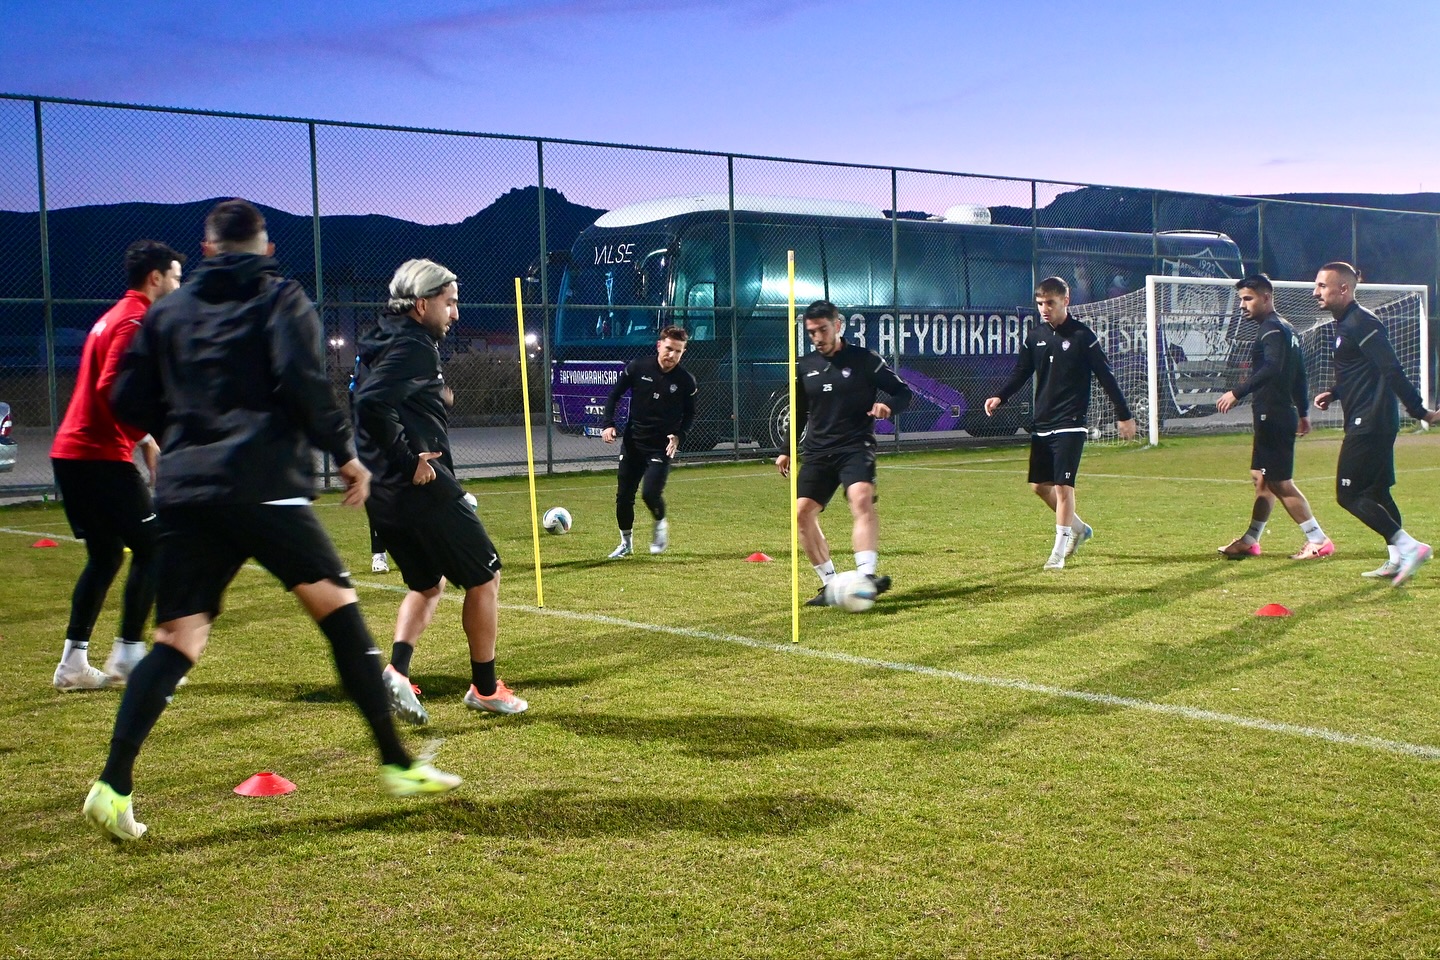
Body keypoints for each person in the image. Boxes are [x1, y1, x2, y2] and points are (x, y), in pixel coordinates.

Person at [83, 200, 459, 843]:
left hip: (187, 494)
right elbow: (305, 382)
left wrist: (178, 426)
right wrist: (344, 454)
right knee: (340, 615)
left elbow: (126, 397)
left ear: (205, 251)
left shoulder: (167, 311)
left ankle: (112, 785)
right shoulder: (280, 298)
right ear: (263, 247)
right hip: (262, 487)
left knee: (178, 641)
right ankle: (397, 764)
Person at [354, 259, 526, 725]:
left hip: (384, 494)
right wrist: (408, 458)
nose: (455, 313)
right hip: (421, 489)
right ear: (422, 303)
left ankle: (397, 671)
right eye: (449, 303)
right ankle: (486, 689)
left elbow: (372, 395)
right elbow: (371, 405)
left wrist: (433, 396)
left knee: (427, 584)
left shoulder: (382, 337)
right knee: (486, 576)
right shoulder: (414, 345)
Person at [50, 241, 181, 691]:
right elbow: (115, 389)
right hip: (97, 455)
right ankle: (129, 654)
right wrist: (156, 435)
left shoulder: (112, 316)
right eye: (175, 277)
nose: (177, 285)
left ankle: (73, 664)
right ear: (155, 278)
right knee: (154, 548)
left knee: (106, 555)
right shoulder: (133, 321)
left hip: (74, 452)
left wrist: (143, 438)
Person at [984, 276, 1137, 569]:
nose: (1044, 308)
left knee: (1064, 486)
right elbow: (1021, 372)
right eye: (1040, 303)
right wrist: (999, 397)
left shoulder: (1082, 337)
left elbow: (1106, 376)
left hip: (1071, 421)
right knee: (1040, 487)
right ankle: (1079, 529)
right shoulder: (1035, 337)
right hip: (1043, 421)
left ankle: (1058, 552)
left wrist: (1124, 414)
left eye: (1050, 303)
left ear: (1065, 301)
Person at [775, 300, 912, 605]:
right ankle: (831, 585)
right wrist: (786, 450)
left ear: (838, 326)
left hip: (854, 447)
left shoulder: (865, 360)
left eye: (823, 330)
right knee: (801, 514)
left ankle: (865, 577)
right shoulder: (805, 366)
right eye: (811, 332)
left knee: (861, 499)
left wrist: (888, 407)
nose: (817, 337)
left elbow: (904, 392)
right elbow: (798, 411)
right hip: (817, 452)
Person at [1312, 261, 1440, 586]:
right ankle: (1397, 560)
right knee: (1377, 490)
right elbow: (1361, 371)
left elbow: (1391, 369)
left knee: (1349, 495)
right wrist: (1334, 393)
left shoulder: (1361, 322)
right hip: (1370, 417)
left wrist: (1420, 411)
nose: (1316, 293)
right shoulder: (1345, 324)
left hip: (1370, 421)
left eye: (1323, 286)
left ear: (1344, 289)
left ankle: (1410, 547)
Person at [1215, 275, 1333, 560]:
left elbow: (1273, 367)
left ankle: (1318, 539)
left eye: (1248, 299)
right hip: (1279, 413)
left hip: (1274, 414)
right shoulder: (1286, 328)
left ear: (1266, 297)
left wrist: (1237, 392)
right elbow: (1300, 373)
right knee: (1261, 479)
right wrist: (1303, 412)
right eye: (1241, 299)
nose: (1242, 305)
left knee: (1279, 482)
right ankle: (1251, 539)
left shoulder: (1271, 328)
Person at [601, 326, 697, 557]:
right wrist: (608, 423)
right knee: (624, 497)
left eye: (678, 351)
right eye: (668, 349)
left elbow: (691, 414)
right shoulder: (637, 368)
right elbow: (614, 395)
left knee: (649, 494)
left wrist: (679, 436)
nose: (672, 355)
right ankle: (626, 544)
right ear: (658, 345)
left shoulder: (686, 381)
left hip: (661, 446)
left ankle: (660, 523)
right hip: (634, 443)